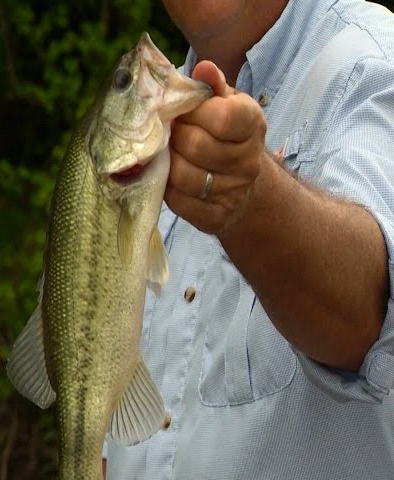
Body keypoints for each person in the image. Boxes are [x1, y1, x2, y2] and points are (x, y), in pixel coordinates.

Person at [103, 0, 394, 478]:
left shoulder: (371, 60)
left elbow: (365, 313)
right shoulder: (133, 131)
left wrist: (252, 199)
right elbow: (100, 417)